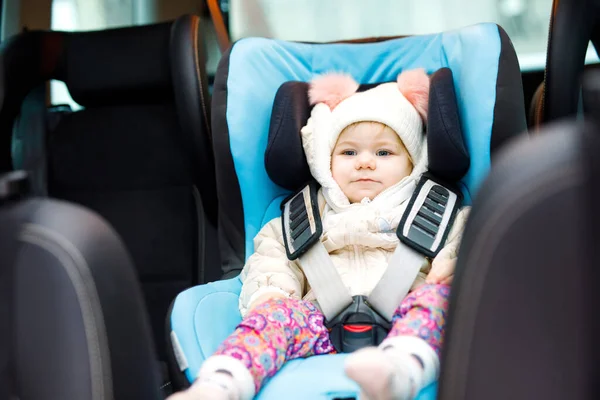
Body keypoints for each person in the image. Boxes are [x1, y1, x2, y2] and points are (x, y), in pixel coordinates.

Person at [169, 68, 470, 400]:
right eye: (349, 152)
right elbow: (271, 259)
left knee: (440, 300)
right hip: (318, 324)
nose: (365, 163)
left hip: (407, 317)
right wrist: (271, 296)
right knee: (272, 317)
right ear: (325, 161)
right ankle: (221, 384)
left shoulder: (437, 211)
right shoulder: (304, 215)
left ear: (412, 162)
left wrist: (452, 266)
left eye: (384, 153)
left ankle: (400, 373)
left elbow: (470, 238)